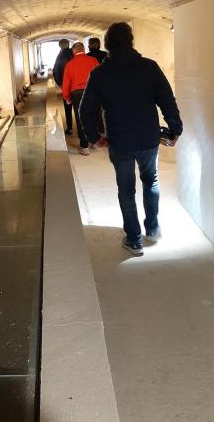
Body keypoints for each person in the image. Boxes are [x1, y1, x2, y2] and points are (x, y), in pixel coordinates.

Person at [80, 22, 182, 255]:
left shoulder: (99, 73)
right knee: (151, 181)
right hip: (148, 138)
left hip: (119, 141)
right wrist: (175, 128)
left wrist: (95, 137)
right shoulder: (149, 67)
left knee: (126, 190)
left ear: (107, 46)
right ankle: (153, 228)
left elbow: (86, 109)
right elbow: (167, 99)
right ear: (131, 41)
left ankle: (134, 239)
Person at [62, 42, 99, 155]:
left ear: (74, 51)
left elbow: (66, 83)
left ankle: (85, 147)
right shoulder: (93, 61)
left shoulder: (70, 64)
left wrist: (67, 97)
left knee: (81, 119)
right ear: (83, 49)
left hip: (78, 93)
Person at [52, 39, 74, 135]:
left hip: (66, 85)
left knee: (68, 108)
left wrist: (60, 84)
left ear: (60, 46)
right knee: (80, 108)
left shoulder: (60, 56)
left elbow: (55, 71)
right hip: (78, 86)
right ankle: (84, 129)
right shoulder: (74, 54)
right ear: (69, 45)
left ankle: (70, 128)